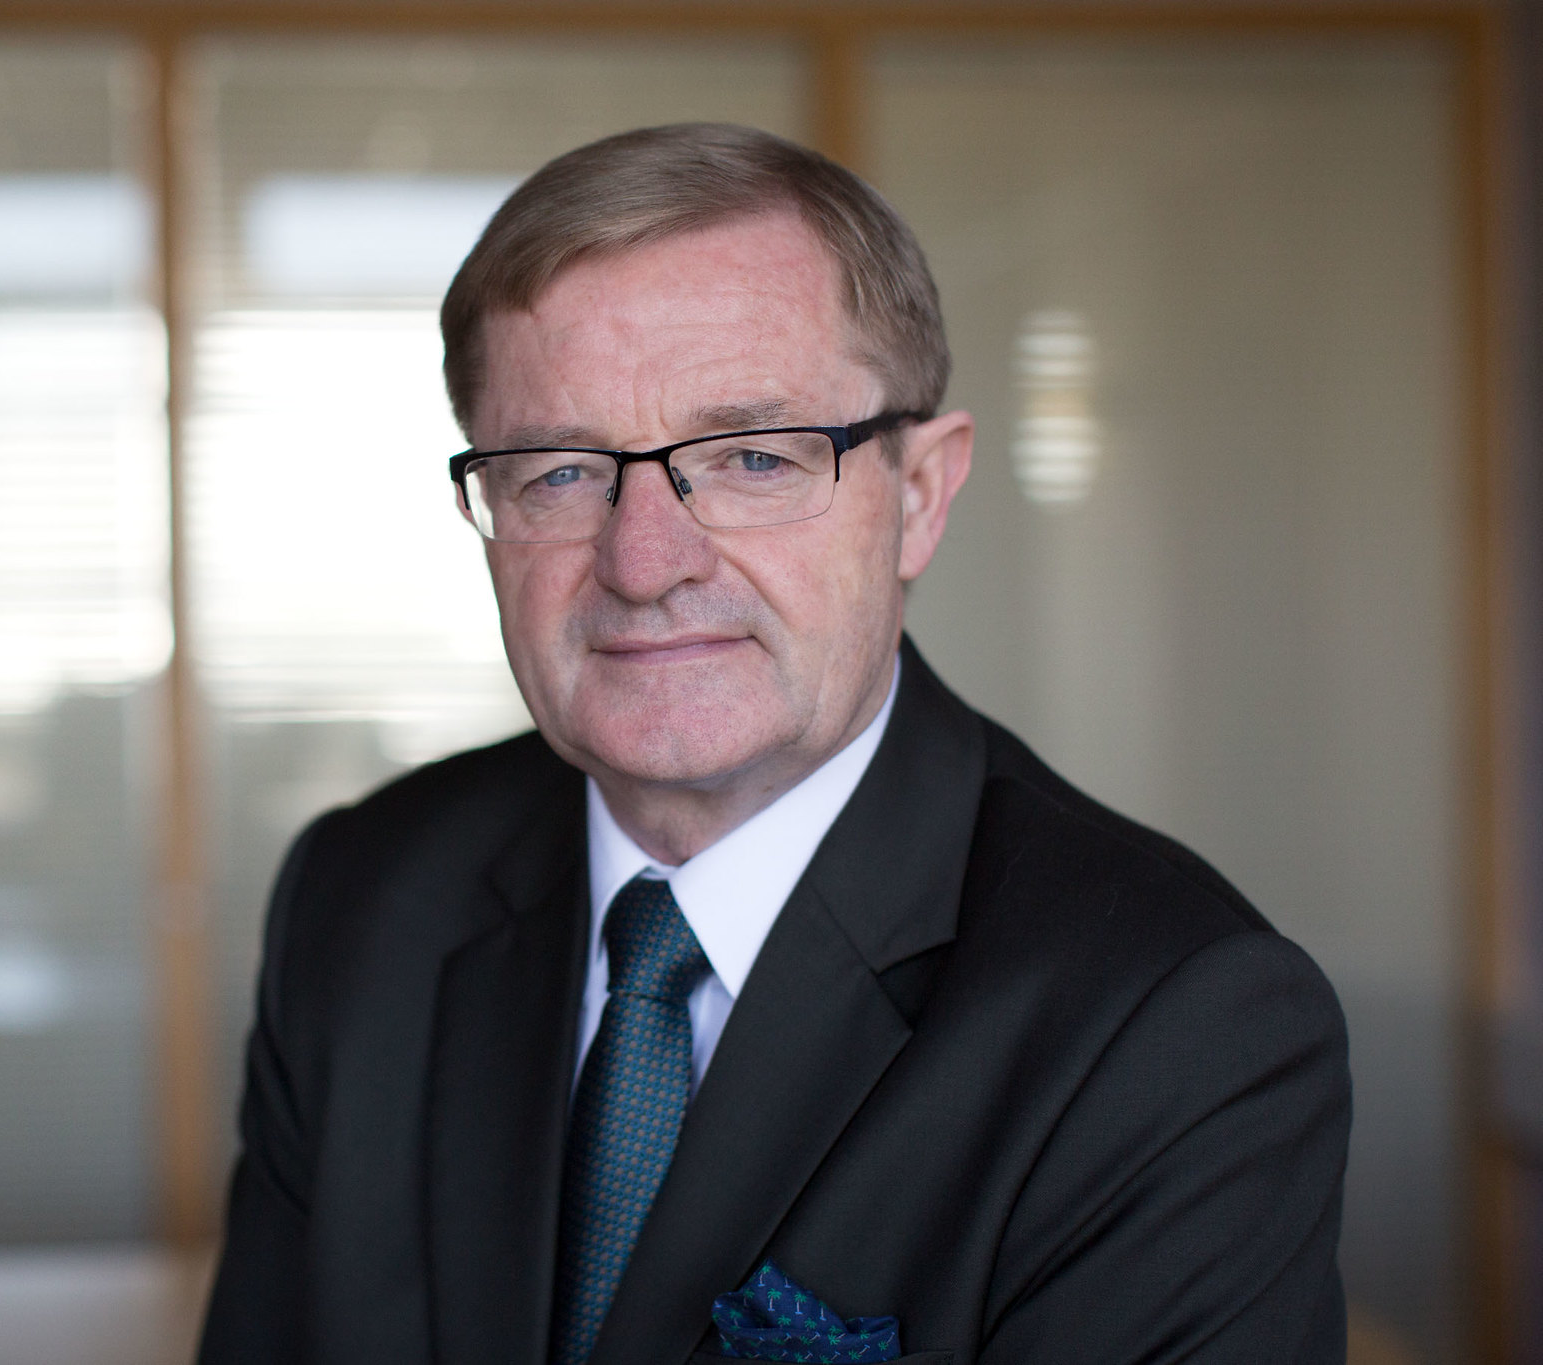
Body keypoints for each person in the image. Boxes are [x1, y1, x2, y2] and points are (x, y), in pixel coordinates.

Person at [198, 123, 1349, 1365]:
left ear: (919, 495)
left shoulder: (1171, 1023)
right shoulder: (363, 899)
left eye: (751, 457)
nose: (644, 563)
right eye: (559, 473)